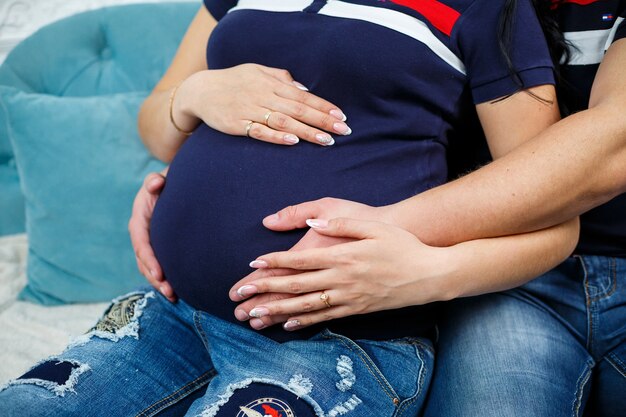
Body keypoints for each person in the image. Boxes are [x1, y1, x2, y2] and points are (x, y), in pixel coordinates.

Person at [0, 0, 573, 416]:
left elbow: (553, 211)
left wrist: (428, 274)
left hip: (338, 342)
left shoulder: (487, 6)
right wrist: (196, 94)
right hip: (174, 315)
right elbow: (156, 122)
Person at [195, 1, 624, 416]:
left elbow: (612, 144)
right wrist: (190, 168)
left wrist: (413, 258)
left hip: (489, 261)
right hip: (501, 279)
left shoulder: (490, 13)